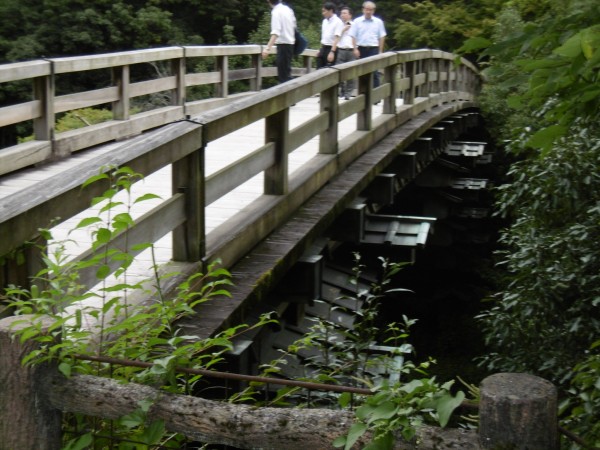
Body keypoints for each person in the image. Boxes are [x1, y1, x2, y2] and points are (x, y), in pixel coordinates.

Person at [349, 1, 387, 87]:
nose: (368, 11)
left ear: (373, 11)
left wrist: (380, 51)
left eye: (370, 10)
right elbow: (353, 36)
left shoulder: (378, 22)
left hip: (373, 49)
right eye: (367, 9)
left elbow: (382, 36)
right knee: (362, 72)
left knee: (374, 72)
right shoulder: (357, 21)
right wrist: (355, 49)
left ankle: (375, 97)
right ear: (363, 10)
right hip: (361, 48)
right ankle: (364, 96)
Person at [262, 0, 297, 84]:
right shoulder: (288, 10)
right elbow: (294, 26)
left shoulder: (276, 12)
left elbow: (276, 32)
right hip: (290, 44)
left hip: (283, 45)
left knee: (283, 78)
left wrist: (267, 49)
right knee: (287, 73)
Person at [331, 6, 356, 99]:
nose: (342, 15)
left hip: (351, 50)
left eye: (345, 13)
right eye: (341, 13)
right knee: (339, 71)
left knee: (351, 73)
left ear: (350, 15)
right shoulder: (339, 25)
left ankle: (348, 93)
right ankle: (342, 90)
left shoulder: (355, 25)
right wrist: (343, 30)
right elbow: (336, 37)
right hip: (341, 50)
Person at [316, 2, 344, 70]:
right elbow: (324, 37)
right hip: (323, 47)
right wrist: (320, 49)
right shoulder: (324, 21)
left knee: (328, 70)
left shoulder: (338, 22)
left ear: (331, 11)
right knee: (318, 69)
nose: (323, 13)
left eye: (324, 11)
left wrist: (332, 52)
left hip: (331, 48)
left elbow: (336, 38)